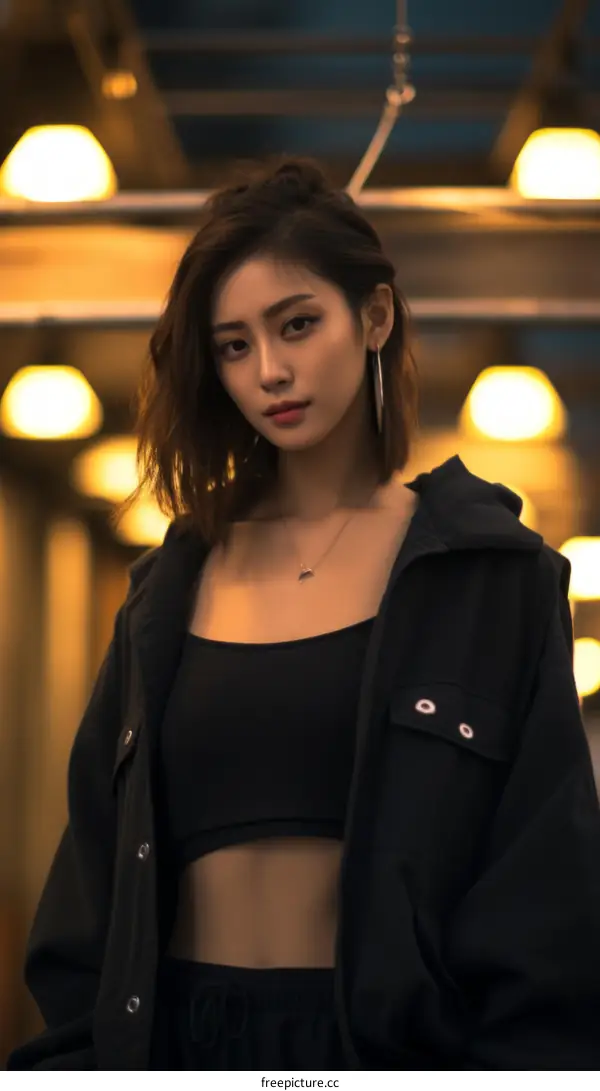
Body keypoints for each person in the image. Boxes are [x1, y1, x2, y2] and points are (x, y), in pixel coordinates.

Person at [7, 155, 600, 1072]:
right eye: (234, 345)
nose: (270, 371)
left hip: (386, 1051)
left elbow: (545, 902)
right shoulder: (165, 593)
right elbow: (89, 887)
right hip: (178, 1043)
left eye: (297, 324)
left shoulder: (493, 582)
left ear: (374, 314)